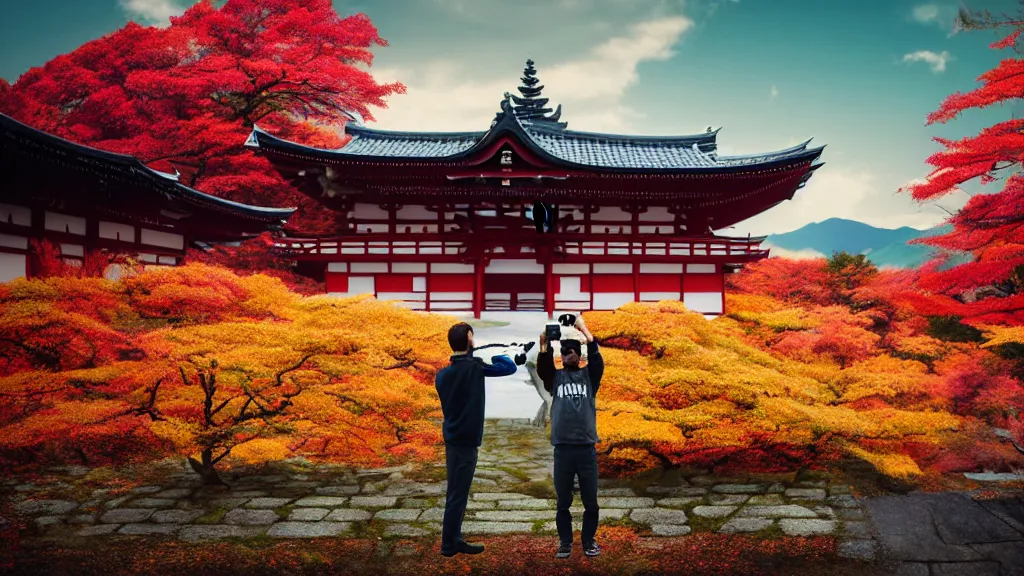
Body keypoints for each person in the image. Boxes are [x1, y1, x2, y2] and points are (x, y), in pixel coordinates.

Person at [434, 322, 518, 557]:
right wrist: (498, 351)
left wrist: (471, 352)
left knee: (457, 491)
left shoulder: (442, 374)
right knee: (458, 494)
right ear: (470, 337)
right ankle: (449, 544)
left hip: (452, 436)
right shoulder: (475, 367)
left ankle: (454, 539)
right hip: (467, 440)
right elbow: (508, 368)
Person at [536, 315, 605, 559]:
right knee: (563, 501)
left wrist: (583, 330)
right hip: (563, 449)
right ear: (561, 355)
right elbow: (544, 369)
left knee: (591, 501)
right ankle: (565, 542)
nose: (570, 355)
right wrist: (544, 345)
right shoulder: (556, 379)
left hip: (586, 448)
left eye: (574, 352)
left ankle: (588, 541)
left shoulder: (589, 378)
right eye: (566, 352)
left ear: (579, 354)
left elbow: (597, 361)